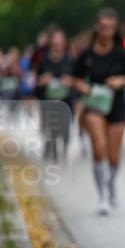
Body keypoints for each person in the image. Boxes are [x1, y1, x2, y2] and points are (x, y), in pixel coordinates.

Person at [73, 8, 125, 215]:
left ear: (115, 29)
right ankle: (102, 197)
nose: (107, 30)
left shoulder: (121, 53)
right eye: (103, 26)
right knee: (99, 148)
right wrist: (81, 86)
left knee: (114, 156)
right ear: (97, 27)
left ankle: (111, 185)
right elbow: (76, 78)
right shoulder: (87, 54)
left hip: (116, 105)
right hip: (94, 105)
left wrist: (120, 81)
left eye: (111, 27)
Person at [35, 29, 77, 161]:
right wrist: (44, 80)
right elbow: (37, 80)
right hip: (49, 99)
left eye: (60, 42)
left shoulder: (70, 60)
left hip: (66, 99)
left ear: (64, 43)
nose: (57, 44)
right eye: (55, 42)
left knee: (65, 126)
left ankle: (64, 149)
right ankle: (52, 153)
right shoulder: (44, 60)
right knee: (52, 126)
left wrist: (70, 81)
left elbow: (77, 80)